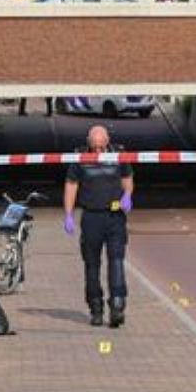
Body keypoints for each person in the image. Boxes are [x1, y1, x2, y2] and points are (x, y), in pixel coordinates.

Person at [63, 125, 134, 328]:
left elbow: (127, 178)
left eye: (101, 147)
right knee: (92, 264)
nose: (98, 152)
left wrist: (127, 195)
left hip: (115, 216)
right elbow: (71, 186)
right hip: (91, 216)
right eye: (94, 148)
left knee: (117, 259)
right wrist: (68, 214)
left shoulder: (119, 154)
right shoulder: (79, 158)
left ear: (108, 141)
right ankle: (95, 307)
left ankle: (117, 304)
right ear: (88, 142)